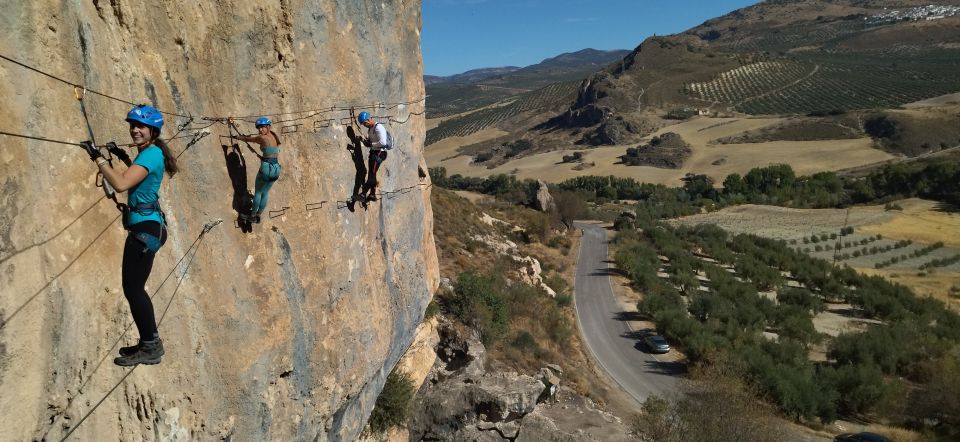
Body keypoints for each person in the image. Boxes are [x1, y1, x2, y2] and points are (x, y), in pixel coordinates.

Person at [81, 105, 178, 366]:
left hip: (145, 230)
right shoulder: (150, 153)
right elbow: (138, 177)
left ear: (153, 131)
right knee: (134, 287)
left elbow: (122, 183)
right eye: (132, 125)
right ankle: (148, 342)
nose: (135, 129)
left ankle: (151, 345)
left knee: (133, 288)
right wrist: (121, 155)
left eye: (141, 126)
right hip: (148, 227)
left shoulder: (151, 155)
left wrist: (98, 158)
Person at [232, 117, 281, 223]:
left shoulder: (262, 138)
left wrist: (239, 137)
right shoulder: (274, 136)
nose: (260, 130)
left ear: (268, 127)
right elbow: (273, 150)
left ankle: (252, 215)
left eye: (262, 127)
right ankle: (258, 214)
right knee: (265, 193)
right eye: (258, 128)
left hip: (266, 168)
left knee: (258, 192)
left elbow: (250, 140)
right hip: (276, 169)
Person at [356, 112, 391, 203]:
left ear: (368, 119)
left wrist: (371, 144)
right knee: (373, 174)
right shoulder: (371, 129)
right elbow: (371, 141)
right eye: (363, 124)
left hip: (379, 153)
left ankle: (363, 194)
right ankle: (372, 194)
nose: (364, 125)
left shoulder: (378, 127)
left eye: (365, 123)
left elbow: (383, 143)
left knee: (371, 175)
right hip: (374, 152)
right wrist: (364, 141)